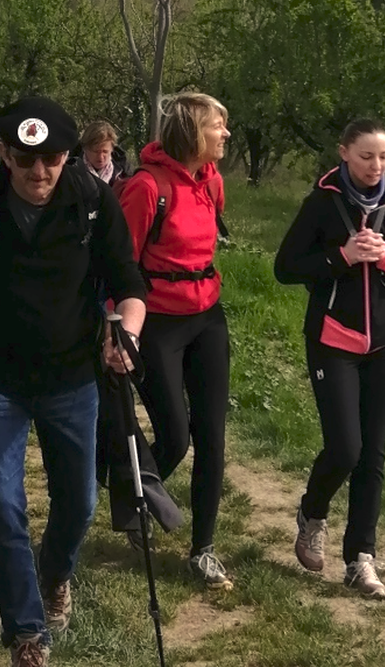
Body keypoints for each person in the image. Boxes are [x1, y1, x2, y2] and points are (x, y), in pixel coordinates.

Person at [0, 96, 146, 667]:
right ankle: (26, 632)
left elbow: (129, 283)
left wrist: (127, 336)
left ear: (67, 156)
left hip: (73, 377)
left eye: (52, 160)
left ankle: (55, 573)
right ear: (6, 157)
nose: (39, 173)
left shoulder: (91, 199)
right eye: (25, 161)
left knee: (79, 504)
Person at [274, 118, 385, 600]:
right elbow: (285, 268)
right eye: (366, 156)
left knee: (373, 453)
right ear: (344, 152)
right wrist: (341, 257)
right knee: (345, 448)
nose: (376, 166)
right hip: (333, 339)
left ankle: (360, 559)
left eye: (384, 156)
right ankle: (312, 513)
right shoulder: (322, 202)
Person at [117, 91, 233, 589]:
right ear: (192, 132)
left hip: (208, 318)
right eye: (217, 126)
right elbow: (119, 263)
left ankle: (203, 549)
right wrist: (116, 329)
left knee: (212, 436)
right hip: (158, 322)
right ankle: (133, 497)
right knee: (175, 437)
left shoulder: (213, 183)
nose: (226, 134)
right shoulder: (147, 187)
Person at [74, 120, 127, 186]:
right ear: (85, 149)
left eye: (105, 152)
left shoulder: (124, 174)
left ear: (112, 149)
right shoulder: (70, 171)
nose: (100, 157)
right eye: (95, 151)